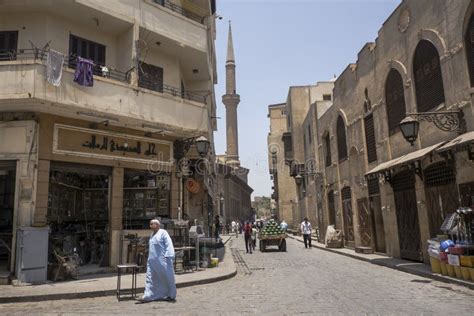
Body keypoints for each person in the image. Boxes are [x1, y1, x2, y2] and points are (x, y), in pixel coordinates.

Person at [139, 219, 176, 303]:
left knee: (167, 277)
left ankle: (171, 295)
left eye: (152, 224)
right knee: (151, 278)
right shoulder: (152, 234)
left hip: (163, 261)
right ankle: (148, 295)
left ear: (158, 225)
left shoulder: (163, 233)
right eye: (150, 224)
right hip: (152, 261)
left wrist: (168, 256)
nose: (150, 226)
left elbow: (169, 244)